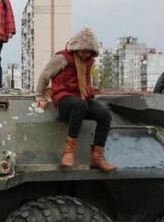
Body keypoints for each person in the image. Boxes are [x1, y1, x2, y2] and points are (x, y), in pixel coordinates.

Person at [35, 28, 116, 172]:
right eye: (83, 51)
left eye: (89, 52)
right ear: (76, 47)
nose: (85, 54)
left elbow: (86, 81)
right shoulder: (62, 58)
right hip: (63, 97)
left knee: (104, 115)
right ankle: (68, 152)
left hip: (81, 98)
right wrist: (40, 96)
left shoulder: (88, 61)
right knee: (80, 105)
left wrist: (90, 92)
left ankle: (97, 157)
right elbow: (44, 76)